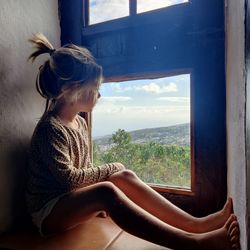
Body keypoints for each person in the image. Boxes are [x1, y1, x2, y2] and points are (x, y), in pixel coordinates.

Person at [26, 33, 240, 250]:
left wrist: (94, 195)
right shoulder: (50, 129)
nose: (99, 96)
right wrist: (108, 175)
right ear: (71, 90)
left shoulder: (79, 124)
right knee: (106, 191)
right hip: (48, 212)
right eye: (94, 89)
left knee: (124, 176)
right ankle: (194, 243)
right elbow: (69, 180)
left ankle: (196, 224)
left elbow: (86, 170)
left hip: (70, 201)